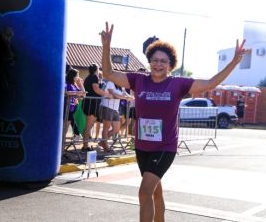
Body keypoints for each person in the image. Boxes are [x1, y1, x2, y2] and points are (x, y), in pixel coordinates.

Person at [100, 22, 249, 222]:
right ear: (149, 62)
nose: (158, 64)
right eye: (154, 60)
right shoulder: (138, 80)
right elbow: (108, 74)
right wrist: (107, 45)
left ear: (171, 65)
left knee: (145, 191)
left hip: (165, 147)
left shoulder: (178, 84)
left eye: (163, 61)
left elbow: (211, 83)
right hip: (142, 146)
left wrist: (234, 62)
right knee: (155, 193)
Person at [82, 64, 111, 151]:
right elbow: (96, 89)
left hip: (89, 102)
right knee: (88, 126)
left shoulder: (88, 77)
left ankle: (85, 145)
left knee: (88, 126)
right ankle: (85, 146)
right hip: (92, 103)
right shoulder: (94, 77)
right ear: (96, 69)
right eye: (98, 69)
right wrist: (107, 94)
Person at [99, 81, 134, 152]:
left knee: (117, 129)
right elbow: (114, 94)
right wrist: (125, 98)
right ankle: (105, 146)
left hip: (115, 109)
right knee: (106, 127)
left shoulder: (121, 84)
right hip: (107, 106)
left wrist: (131, 97)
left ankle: (103, 142)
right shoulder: (110, 83)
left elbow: (124, 93)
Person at [63, 69, 85, 141]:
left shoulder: (74, 85)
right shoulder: (67, 83)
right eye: (77, 76)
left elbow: (83, 93)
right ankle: (62, 145)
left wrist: (80, 83)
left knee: (68, 124)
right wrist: (76, 93)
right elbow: (66, 92)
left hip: (72, 109)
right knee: (65, 128)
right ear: (72, 76)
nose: (78, 77)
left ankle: (77, 134)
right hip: (66, 108)